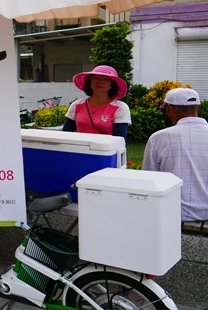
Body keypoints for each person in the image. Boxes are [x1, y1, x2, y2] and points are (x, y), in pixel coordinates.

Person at [143, 88, 208, 223]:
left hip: (175, 215)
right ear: (199, 108)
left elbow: (148, 181)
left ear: (170, 109)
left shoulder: (159, 138)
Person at [62, 65, 131, 140]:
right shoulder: (76, 105)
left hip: (105, 147)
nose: (100, 82)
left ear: (112, 84)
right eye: (95, 78)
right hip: (79, 146)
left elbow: (120, 140)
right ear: (90, 81)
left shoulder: (120, 108)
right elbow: (65, 134)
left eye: (106, 79)